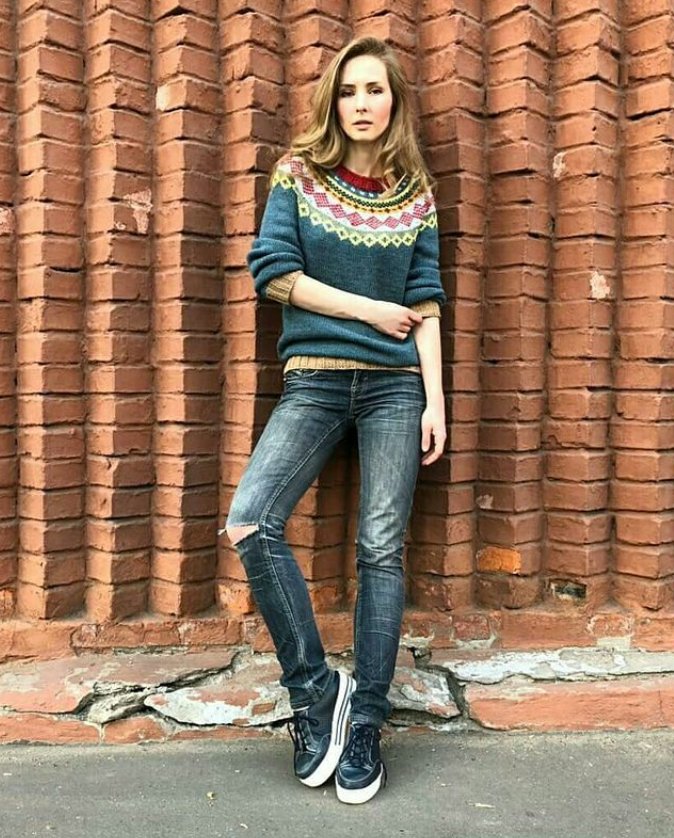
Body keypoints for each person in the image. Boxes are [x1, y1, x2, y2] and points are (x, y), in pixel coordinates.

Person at [223, 35, 446, 804]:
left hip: (395, 390)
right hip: (315, 381)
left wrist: (436, 400)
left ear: (393, 101)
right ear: (332, 101)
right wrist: (366, 310)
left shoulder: (414, 192)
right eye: (348, 90)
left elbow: (426, 300)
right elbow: (273, 274)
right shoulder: (297, 175)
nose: (361, 103)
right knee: (251, 520)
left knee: (380, 550)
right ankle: (316, 691)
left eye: (374, 89)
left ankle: (367, 724)